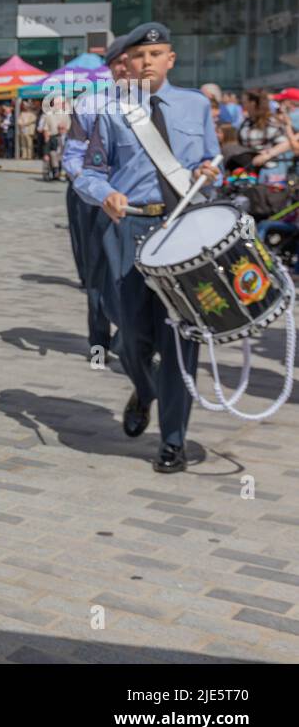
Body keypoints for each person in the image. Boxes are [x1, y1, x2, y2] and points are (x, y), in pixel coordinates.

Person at [75, 23, 220, 474]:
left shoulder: (196, 105)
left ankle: (172, 440)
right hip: (131, 230)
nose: (148, 62)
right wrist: (105, 195)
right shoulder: (113, 111)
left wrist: (212, 175)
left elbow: (211, 160)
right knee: (132, 338)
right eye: (140, 55)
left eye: (157, 53)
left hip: (184, 233)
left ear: (170, 59)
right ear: (128, 63)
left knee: (181, 342)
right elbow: (88, 172)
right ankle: (145, 387)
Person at [62, 37, 130, 360]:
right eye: (118, 61)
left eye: (130, 59)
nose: (125, 66)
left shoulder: (151, 104)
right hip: (94, 200)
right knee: (98, 274)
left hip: (137, 203)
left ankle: (129, 334)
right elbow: (72, 156)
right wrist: (92, 188)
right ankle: (100, 341)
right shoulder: (90, 103)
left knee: (135, 273)